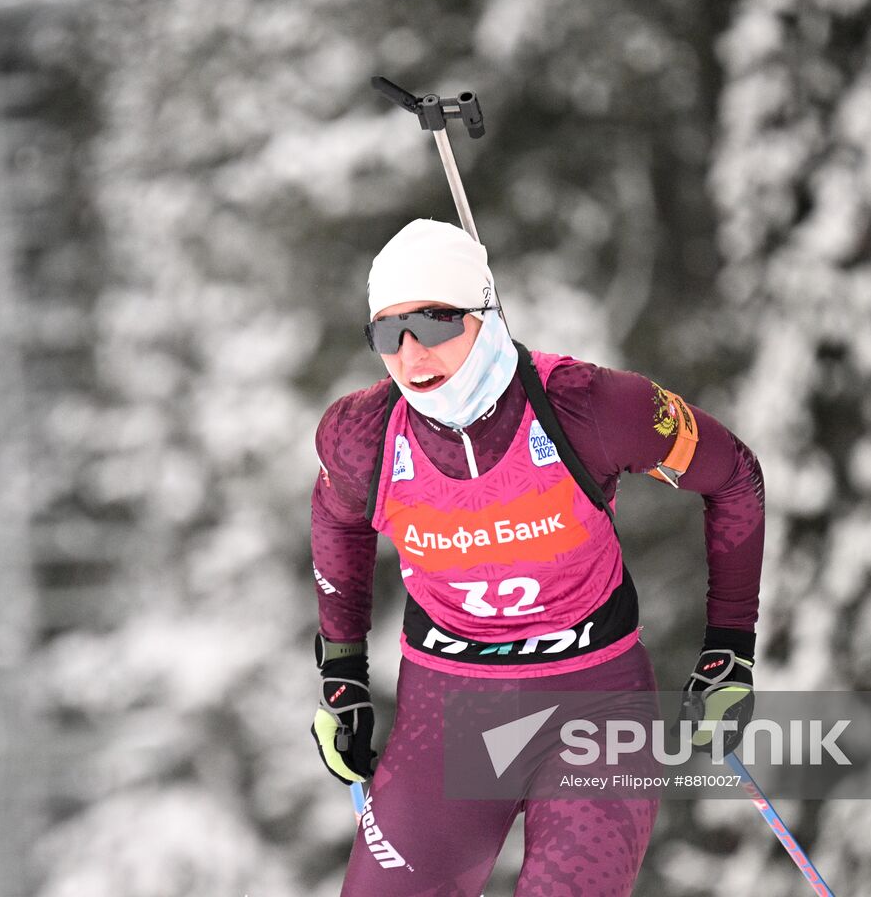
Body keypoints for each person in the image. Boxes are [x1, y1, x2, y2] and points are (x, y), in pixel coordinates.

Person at [309, 219, 764, 896]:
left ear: (483, 313)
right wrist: (342, 672)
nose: (410, 355)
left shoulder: (592, 408)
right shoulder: (362, 438)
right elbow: (337, 519)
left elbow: (734, 478)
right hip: (447, 713)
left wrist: (729, 647)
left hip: (596, 707)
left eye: (433, 323)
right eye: (386, 333)